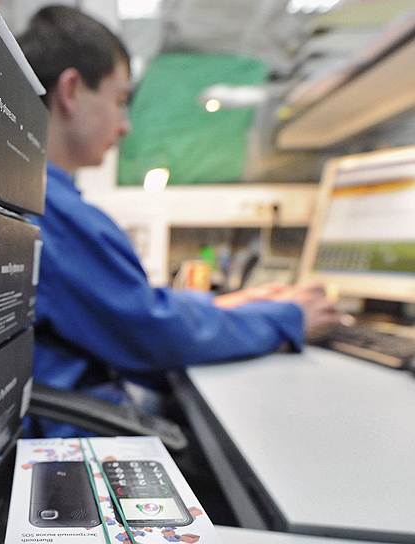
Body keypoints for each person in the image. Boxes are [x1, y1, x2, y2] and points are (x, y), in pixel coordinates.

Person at [17, 6, 340, 437]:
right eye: (120, 101)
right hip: (77, 435)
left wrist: (223, 306)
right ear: (72, 90)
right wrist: (287, 319)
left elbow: (129, 306)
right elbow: (151, 332)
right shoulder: (50, 208)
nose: (126, 126)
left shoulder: (38, 195)